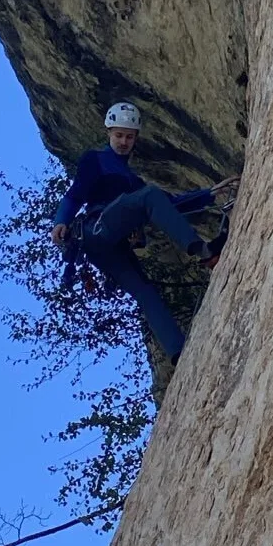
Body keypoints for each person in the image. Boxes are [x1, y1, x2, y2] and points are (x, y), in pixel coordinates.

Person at [50, 101, 236, 366]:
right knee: (148, 195)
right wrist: (61, 221)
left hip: (108, 247)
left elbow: (170, 205)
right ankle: (202, 251)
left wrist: (210, 194)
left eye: (129, 136)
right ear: (109, 133)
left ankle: (178, 354)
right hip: (97, 227)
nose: (123, 141)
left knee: (145, 292)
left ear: (135, 139)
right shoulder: (95, 160)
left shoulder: (132, 180)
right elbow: (75, 194)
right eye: (119, 135)